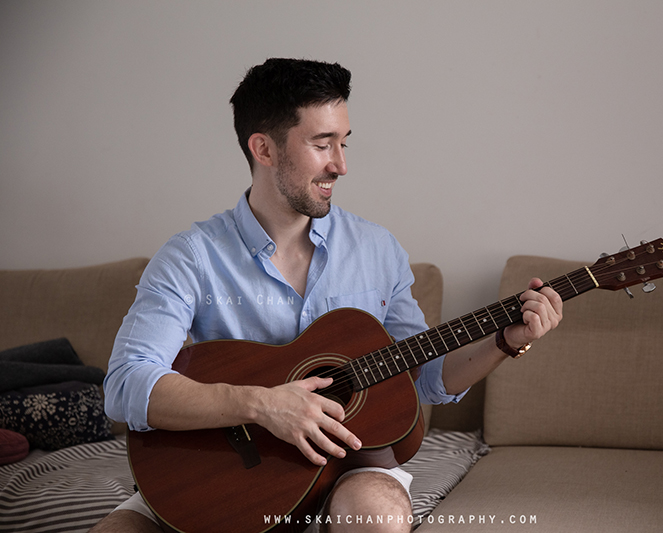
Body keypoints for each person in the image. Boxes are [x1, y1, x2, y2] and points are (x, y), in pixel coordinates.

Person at [89, 58, 563, 533]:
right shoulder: (191, 256)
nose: (340, 165)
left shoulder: (377, 249)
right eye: (321, 144)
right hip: (225, 470)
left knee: (377, 518)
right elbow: (127, 384)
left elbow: (425, 378)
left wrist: (504, 342)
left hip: (352, 464)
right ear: (264, 149)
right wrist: (261, 404)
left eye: (343, 142)